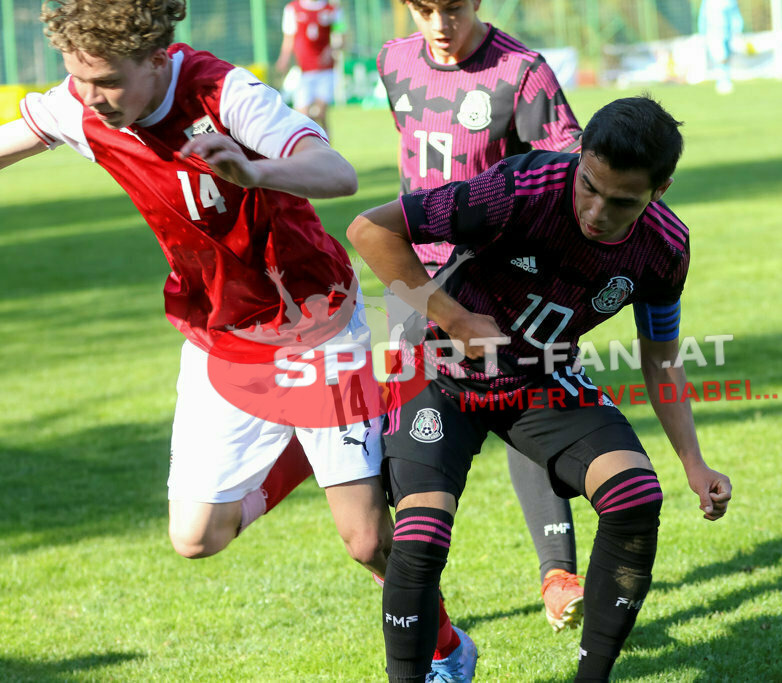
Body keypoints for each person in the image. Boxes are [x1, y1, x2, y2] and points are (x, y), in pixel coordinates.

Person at [0, 1, 471, 679]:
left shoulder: (224, 95)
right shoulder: (81, 104)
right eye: (78, 78)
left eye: (106, 81)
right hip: (220, 336)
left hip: (314, 324)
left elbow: (335, 172)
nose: (90, 97)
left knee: (367, 540)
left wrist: (256, 172)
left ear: (157, 59)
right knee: (196, 537)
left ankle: (446, 646)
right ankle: (312, 445)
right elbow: (19, 134)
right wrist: (83, 92)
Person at [347, 95, 732, 682]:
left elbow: (660, 357)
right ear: (580, 157)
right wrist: (454, 318)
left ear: (661, 190)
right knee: (421, 537)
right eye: (590, 186)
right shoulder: (519, 190)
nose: (597, 211)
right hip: (438, 371)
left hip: (539, 377)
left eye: (622, 202)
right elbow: (370, 229)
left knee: (635, 497)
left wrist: (694, 463)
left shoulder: (665, 248)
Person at [377, 0, 588, 633]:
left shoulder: (522, 72)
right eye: (424, 10)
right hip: (416, 281)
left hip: (500, 281)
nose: (440, 24)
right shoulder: (393, 62)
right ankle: (423, 601)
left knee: (527, 408)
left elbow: (574, 171)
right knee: (410, 434)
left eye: (453, 8)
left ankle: (559, 575)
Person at [276, 0, 345, 136]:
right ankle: (311, 145)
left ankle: (325, 144)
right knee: (303, 117)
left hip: (325, 71)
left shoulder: (332, 9)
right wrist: (284, 59)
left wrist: (330, 50)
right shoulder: (292, 9)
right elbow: (289, 38)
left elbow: (342, 38)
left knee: (320, 113)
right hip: (303, 71)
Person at [698, 0, 744, 94]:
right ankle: (723, 81)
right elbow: (703, 15)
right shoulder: (707, 2)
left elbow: (735, 14)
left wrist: (738, 28)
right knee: (720, 56)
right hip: (713, 32)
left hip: (728, 32)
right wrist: (702, 31)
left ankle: (725, 78)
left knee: (726, 56)